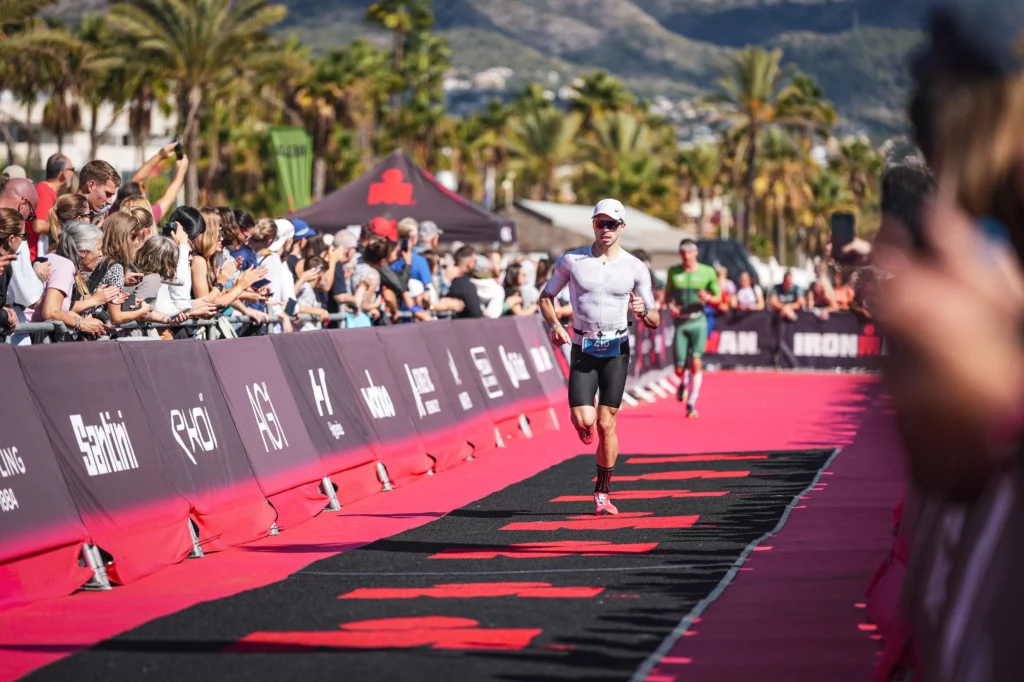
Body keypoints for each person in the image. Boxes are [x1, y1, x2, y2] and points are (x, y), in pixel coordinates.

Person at [540, 198, 659, 516]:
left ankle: (602, 493)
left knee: (607, 424)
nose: (605, 229)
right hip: (583, 347)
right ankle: (583, 424)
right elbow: (546, 297)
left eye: (611, 224)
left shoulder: (635, 267)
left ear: (622, 227)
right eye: (599, 223)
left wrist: (643, 311)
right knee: (585, 420)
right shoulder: (572, 261)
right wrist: (554, 325)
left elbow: (655, 318)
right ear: (592, 224)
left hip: (616, 350)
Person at [663, 238, 721, 417]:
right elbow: (668, 297)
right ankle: (683, 382)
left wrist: (709, 298)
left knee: (696, 362)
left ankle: (691, 402)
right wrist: (672, 306)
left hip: (698, 321)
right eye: (683, 253)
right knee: (679, 368)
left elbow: (719, 297)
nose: (686, 256)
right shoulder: (674, 272)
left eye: (689, 252)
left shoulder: (707, 272)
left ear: (696, 252)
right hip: (681, 322)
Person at [30, 221, 111, 340]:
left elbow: (61, 308)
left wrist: (87, 323)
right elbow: (50, 312)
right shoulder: (65, 266)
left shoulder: (57, 260)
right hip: (28, 336)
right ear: (83, 252)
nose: (101, 254)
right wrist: (81, 324)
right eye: (99, 249)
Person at [119, 143, 188, 222]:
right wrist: (181, 170)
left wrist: (160, 155)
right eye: (144, 189)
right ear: (138, 201)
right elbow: (169, 198)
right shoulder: (146, 220)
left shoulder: (114, 214)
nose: (145, 191)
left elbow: (135, 182)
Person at [31, 153, 74, 259]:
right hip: (35, 257)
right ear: (64, 173)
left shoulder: (46, 190)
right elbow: (39, 225)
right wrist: (65, 229)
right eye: (72, 170)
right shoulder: (45, 191)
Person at [0, 209, 25, 338]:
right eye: (23, 236)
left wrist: (5, 309)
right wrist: (6, 316)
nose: (23, 241)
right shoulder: (3, 266)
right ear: (11, 239)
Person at [447, 245, 484, 319]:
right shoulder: (466, 286)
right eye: (475, 261)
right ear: (470, 264)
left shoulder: (446, 281)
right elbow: (476, 314)